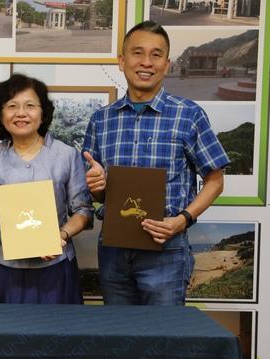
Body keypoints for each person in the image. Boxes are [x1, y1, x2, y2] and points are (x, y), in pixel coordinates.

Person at [82, 21, 230, 306]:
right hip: (114, 249)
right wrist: (96, 186)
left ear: (167, 63)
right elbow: (98, 193)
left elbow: (215, 180)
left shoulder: (189, 114)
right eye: (137, 53)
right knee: (118, 336)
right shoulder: (101, 119)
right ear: (122, 61)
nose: (146, 62)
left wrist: (182, 220)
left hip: (166, 248)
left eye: (156, 54)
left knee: (164, 340)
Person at [0, 74, 93, 304]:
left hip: (53, 266)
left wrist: (62, 235)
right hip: (0, 266)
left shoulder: (66, 155)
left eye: (30, 106)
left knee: (53, 337)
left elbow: (83, 211)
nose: (21, 113)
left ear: (43, 112)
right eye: (12, 106)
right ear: (1, 114)